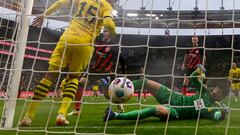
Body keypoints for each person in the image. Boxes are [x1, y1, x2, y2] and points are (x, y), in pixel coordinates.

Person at [20, 0, 116, 126]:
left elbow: (60, 2)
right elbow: (108, 22)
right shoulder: (106, 6)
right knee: (74, 77)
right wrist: (113, 33)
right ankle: (62, 114)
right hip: (84, 43)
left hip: (67, 38)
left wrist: (44, 14)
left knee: (50, 75)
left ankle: (28, 116)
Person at [104, 66, 230, 122]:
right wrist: (197, 71)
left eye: (218, 92)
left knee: (157, 110)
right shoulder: (205, 91)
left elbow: (217, 116)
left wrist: (223, 114)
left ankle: (114, 116)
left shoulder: (214, 107)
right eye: (215, 89)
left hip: (177, 112)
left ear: (221, 96)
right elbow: (192, 78)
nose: (214, 92)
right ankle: (113, 96)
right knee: (145, 82)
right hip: (174, 96)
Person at [66, 30, 126, 116]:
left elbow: (121, 59)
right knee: (81, 83)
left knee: (108, 94)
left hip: (106, 72)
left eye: (108, 32)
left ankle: (119, 105)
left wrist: (123, 72)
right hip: (94, 70)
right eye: (105, 31)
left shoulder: (114, 46)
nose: (106, 33)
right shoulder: (97, 42)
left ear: (111, 35)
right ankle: (77, 110)